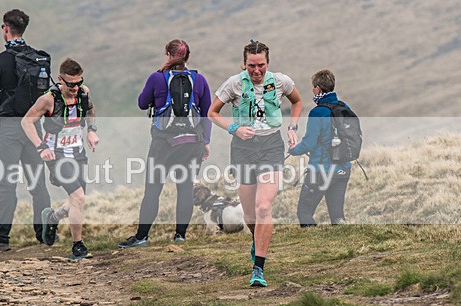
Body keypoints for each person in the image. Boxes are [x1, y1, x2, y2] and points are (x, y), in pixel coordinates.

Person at [208, 41, 302, 287]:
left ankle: (258, 267)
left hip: (271, 146)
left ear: (267, 63)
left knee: (263, 208)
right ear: (244, 64)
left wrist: (292, 128)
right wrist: (234, 128)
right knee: (250, 214)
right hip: (243, 149)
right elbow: (212, 112)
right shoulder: (234, 84)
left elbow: (297, 101)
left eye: (261, 65)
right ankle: (256, 239)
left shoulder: (280, 81)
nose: (257, 70)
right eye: (251, 66)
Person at [119, 39, 212, 248]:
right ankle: (180, 236)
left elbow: (142, 103)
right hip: (192, 143)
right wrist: (205, 141)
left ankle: (142, 237)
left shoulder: (156, 77)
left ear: (168, 55)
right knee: (185, 188)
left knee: (153, 189)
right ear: (187, 57)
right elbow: (207, 113)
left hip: (163, 144)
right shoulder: (199, 80)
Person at [0, 9, 51, 253]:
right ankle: (44, 234)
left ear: (6, 28)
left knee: (7, 184)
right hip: (33, 126)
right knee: (38, 183)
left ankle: (0, 238)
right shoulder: (39, 59)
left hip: (9, 128)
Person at [21, 58, 100, 259]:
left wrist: (91, 130)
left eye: (79, 82)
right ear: (60, 80)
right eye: (71, 84)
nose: (75, 88)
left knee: (77, 200)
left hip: (78, 153)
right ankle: (78, 246)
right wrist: (41, 147)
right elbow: (26, 122)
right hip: (56, 155)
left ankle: (53, 218)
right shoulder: (48, 100)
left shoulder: (84, 93)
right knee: (79, 197)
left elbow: (90, 110)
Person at [288, 69, 352, 226]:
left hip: (321, 172)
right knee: (337, 217)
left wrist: (292, 150)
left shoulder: (317, 112)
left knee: (304, 212)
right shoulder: (344, 107)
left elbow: (309, 143)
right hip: (343, 170)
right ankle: (345, 241)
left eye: (313, 87)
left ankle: (312, 241)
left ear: (318, 88)